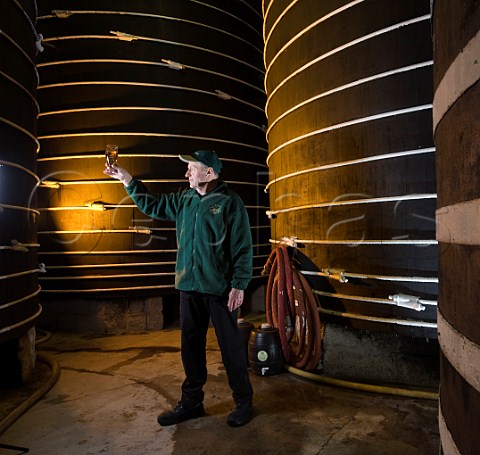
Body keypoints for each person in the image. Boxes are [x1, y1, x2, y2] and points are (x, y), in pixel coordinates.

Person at [104, 150, 254, 427]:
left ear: (208, 173)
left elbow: (243, 247)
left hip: (220, 289)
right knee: (190, 348)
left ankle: (243, 401)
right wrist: (126, 178)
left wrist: (239, 285)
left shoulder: (230, 203)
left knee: (231, 347)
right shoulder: (184, 199)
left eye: (191, 169)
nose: (186, 173)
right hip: (189, 286)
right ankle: (192, 402)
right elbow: (153, 206)